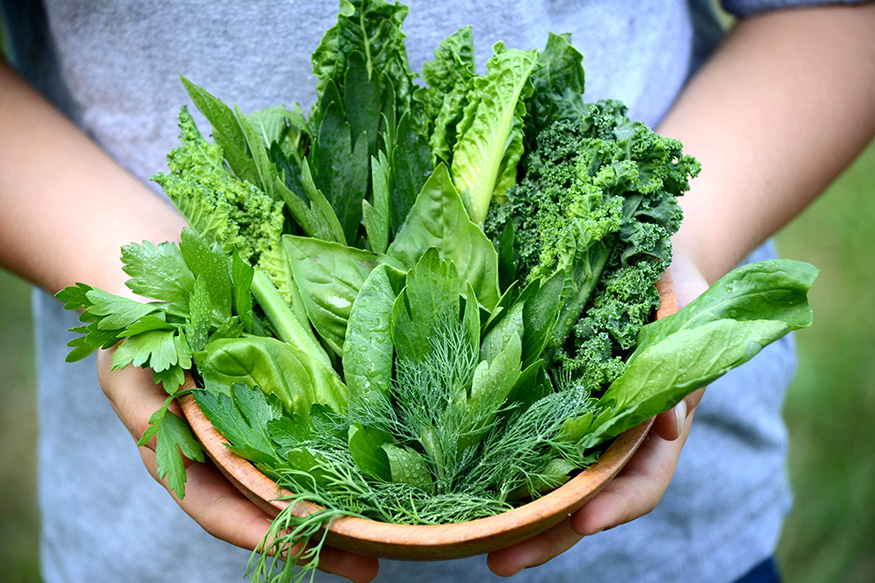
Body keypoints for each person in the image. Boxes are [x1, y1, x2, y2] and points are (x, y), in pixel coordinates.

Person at [1, 1, 873, 582]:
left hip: (662, 546)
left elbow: (835, 16)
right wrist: (132, 273)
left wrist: (663, 256)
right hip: (154, 545)